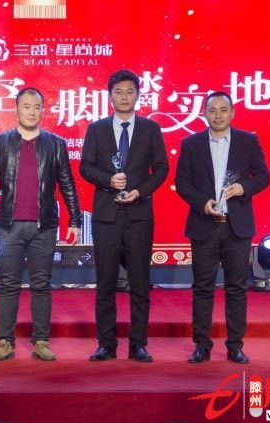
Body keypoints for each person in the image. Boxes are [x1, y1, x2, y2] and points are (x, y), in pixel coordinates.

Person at [0, 87, 81, 362]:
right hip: (9, 226)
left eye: (37, 107)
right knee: (8, 284)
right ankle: (4, 342)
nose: (32, 112)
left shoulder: (55, 144)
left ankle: (41, 341)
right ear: (16, 109)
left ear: (43, 111)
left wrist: (75, 219)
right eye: (26, 106)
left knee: (41, 284)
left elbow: (67, 184)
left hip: (43, 226)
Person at [174, 91, 270, 364]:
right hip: (204, 224)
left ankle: (235, 346)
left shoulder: (248, 141)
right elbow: (182, 182)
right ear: (204, 113)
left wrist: (244, 188)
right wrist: (201, 202)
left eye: (223, 110)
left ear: (232, 113)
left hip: (236, 227)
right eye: (212, 110)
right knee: (202, 287)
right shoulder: (191, 143)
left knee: (236, 288)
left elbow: (264, 176)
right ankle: (201, 346)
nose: (218, 115)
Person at [79, 70, 169, 362]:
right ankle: (106, 344)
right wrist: (108, 180)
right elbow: (85, 167)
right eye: (118, 92)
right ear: (110, 96)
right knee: (105, 283)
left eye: (130, 92)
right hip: (106, 216)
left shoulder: (151, 129)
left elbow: (162, 168)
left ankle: (138, 344)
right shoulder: (97, 129)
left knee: (140, 283)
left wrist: (140, 192)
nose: (124, 97)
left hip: (139, 216)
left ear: (138, 95)